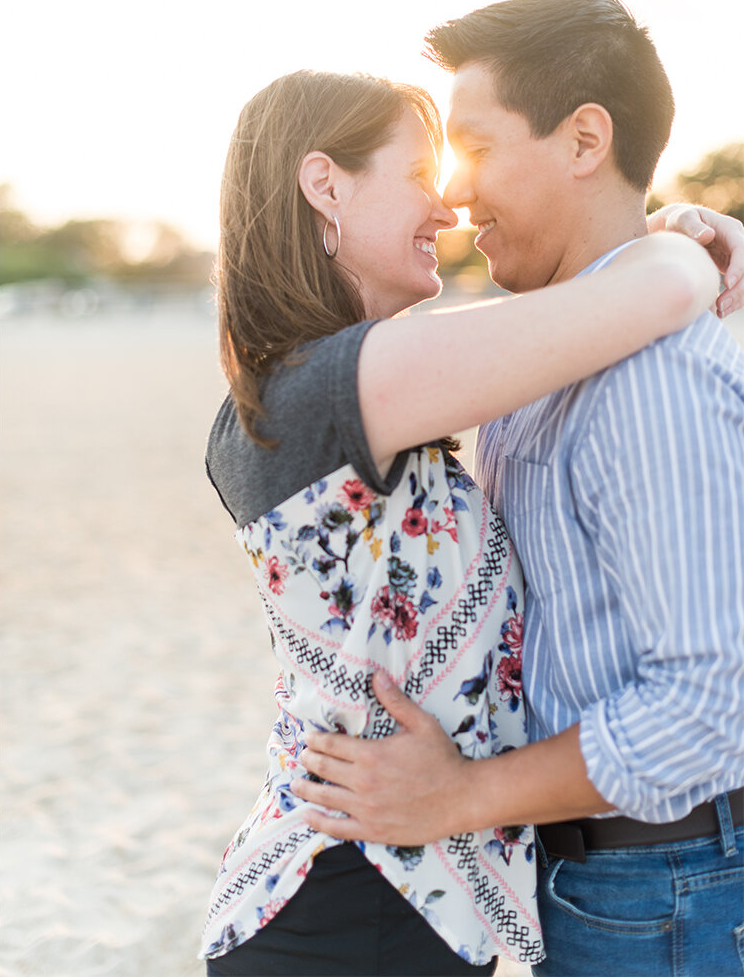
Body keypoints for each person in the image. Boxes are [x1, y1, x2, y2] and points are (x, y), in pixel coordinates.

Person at [199, 67, 735, 976]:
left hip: (400, 899)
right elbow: (655, 294)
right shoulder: (341, 384)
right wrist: (684, 238)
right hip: (353, 907)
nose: (446, 205)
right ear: (325, 184)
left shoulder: (336, 389)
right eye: (420, 173)